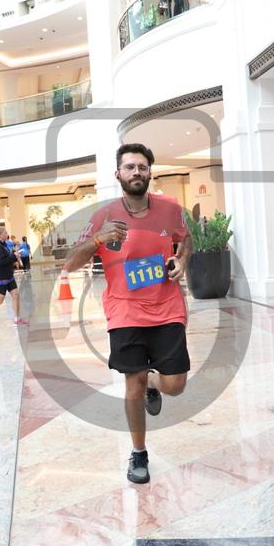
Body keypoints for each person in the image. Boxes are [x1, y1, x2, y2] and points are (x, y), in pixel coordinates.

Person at [64, 143, 192, 485]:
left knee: (176, 385)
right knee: (131, 383)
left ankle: (154, 381)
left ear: (150, 173)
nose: (136, 172)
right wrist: (98, 240)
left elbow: (186, 239)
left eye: (142, 167)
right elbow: (71, 262)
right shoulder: (102, 216)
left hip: (167, 307)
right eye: (130, 167)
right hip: (124, 310)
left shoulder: (170, 209)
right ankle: (139, 451)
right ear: (118, 174)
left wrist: (181, 260)